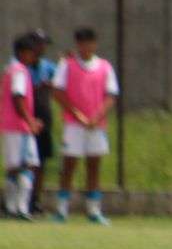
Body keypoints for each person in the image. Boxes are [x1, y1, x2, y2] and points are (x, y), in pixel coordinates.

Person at [50, 27, 120, 225]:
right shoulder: (68, 65)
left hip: (96, 125)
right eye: (82, 43)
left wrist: (97, 116)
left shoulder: (104, 66)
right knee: (69, 164)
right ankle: (62, 210)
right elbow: (58, 92)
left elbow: (111, 95)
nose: (86, 47)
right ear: (77, 44)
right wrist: (77, 114)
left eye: (89, 43)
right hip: (74, 124)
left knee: (94, 165)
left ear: (94, 44)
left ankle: (93, 210)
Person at [2, 34, 44, 220]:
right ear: (22, 53)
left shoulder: (10, 70)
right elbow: (18, 97)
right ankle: (22, 208)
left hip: (9, 125)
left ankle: (10, 207)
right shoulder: (20, 71)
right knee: (29, 165)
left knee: (13, 168)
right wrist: (30, 121)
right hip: (19, 128)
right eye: (31, 52)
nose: (34, 56)